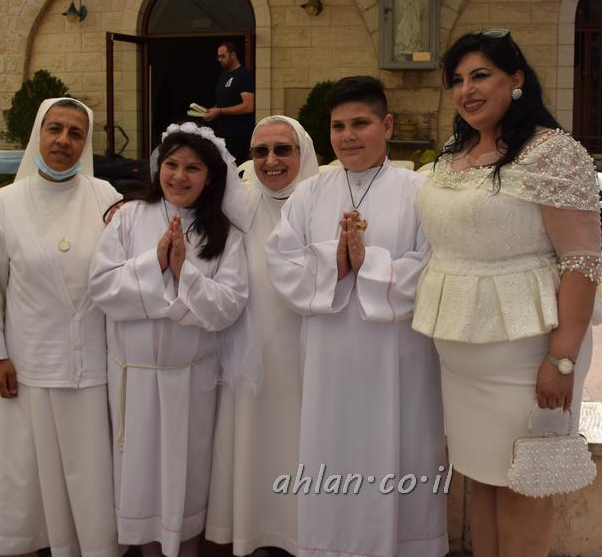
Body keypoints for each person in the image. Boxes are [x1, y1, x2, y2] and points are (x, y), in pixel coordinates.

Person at [412, 30, 602, 557]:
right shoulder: (456, 152)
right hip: (463, 358)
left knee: (525, 484)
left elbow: (582, 261)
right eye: (457, 80)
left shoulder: (552, 152)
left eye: (480, 75)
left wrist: (561, 360)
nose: (466, 90)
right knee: (482, 476)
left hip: (528, 356)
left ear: (516, 80)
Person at [265, 76, 447, 557]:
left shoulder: (420, 192)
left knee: (400, 448)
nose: (347, 136)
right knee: (331, 449)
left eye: (360, 124)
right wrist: (336, 263)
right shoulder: (309, 193)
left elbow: (434, 267)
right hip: (328, 356)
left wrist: (371, 265)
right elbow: (281, 261)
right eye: (338, 126)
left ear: (386, 126)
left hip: (398, 358)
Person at [89, 122, 249, 557]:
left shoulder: (226, 234)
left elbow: (229, 306)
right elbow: (101, 286)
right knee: (139, 477)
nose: (179, 176)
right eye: (172, 164)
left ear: (210, 178)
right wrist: (154, 263)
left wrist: (183, 272)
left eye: (193, 168)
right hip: (134, 378)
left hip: (191, 381)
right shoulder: (129, 218)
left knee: (187, 475)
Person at [0, 97, 121, 557]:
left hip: (92, 357)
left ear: (86, 142)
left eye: (76, 133)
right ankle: (43, 543)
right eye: (54, 129)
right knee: (33, 464)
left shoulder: (106, 197)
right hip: (31, 358)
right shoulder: (4, 204)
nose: (63, 140)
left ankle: (95, 544)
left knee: (89, 463)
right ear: (38, 133)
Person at [205, 115, 320, 556]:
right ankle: (256, 533)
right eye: (260, 151)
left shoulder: (323, 205)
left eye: (282, 150)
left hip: (306, 357)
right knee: (255, 445)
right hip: (251, 359)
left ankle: (303, 534)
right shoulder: (240, 205)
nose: (271, 161)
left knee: (300, 444)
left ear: (303, 153)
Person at [203, 42, 255, 163]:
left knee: (236, 169)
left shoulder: (244, 75)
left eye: (223, 56)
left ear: (233, 55)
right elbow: (223, 102)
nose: (219, 59)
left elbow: (248, 106)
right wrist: (212, 111)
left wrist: (219, 111)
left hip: (238, 135)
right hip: (222, 134)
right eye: (218, 57)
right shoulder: (223, 75)